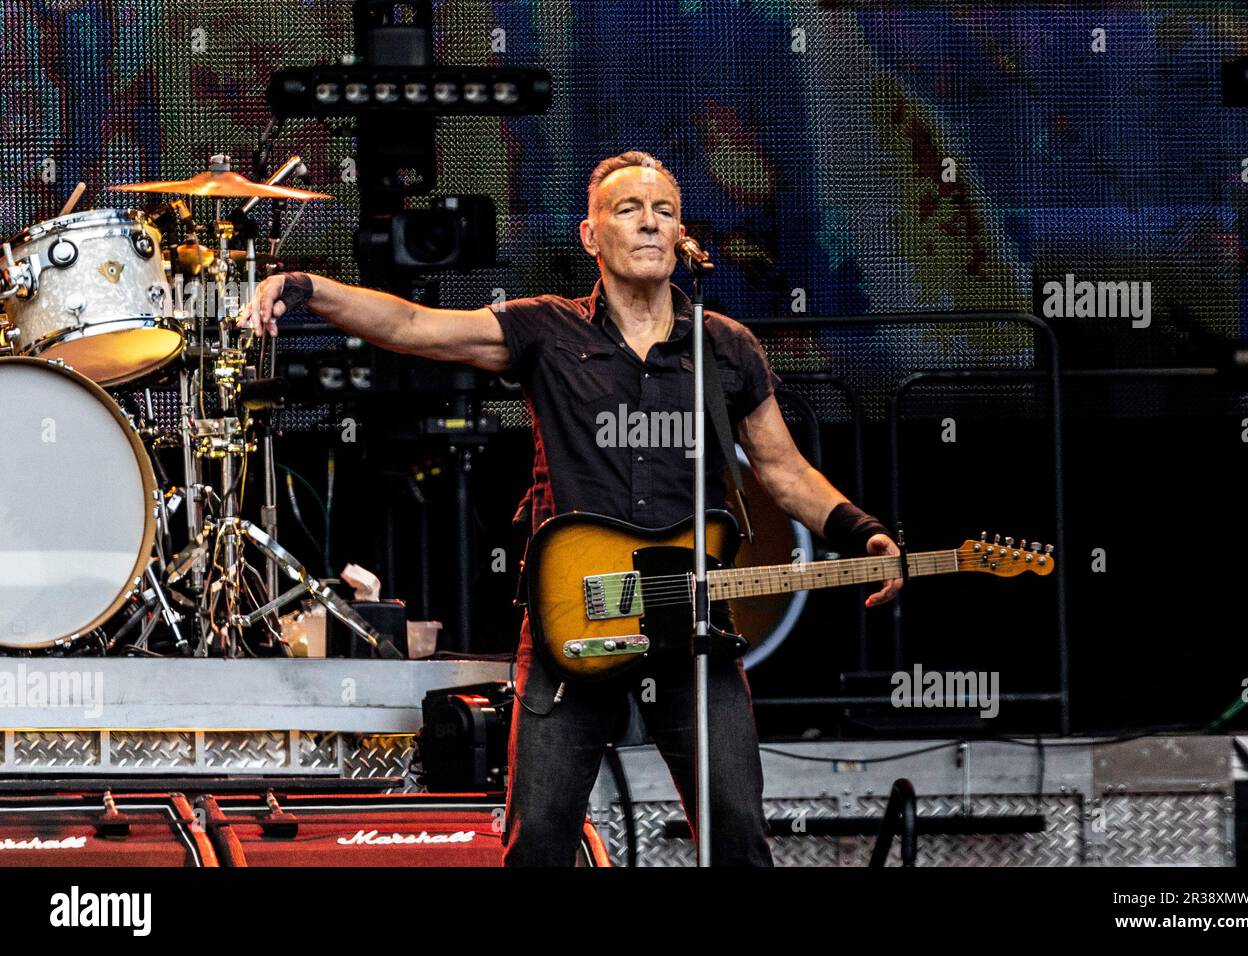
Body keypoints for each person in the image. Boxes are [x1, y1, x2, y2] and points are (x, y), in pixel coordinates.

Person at [242, 150, 902, 866]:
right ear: (591, 236)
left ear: (682, 237)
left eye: (665, 212)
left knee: (738, 834)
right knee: (540, 839)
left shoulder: (724, 346)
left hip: (691, 624)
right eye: (629, 210)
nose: (650, 223)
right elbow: (410, 324)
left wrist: (863, 532)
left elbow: (784, 470)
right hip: (571, 618)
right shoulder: (548, 331)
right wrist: (306, 287)